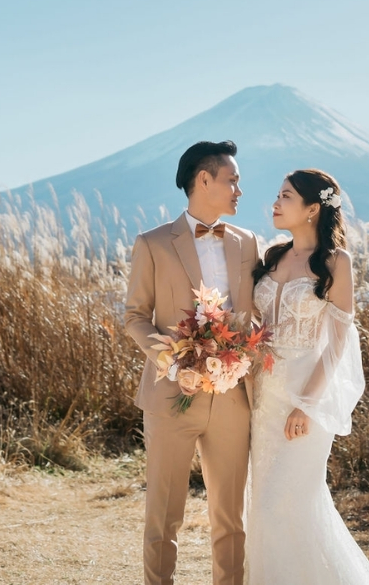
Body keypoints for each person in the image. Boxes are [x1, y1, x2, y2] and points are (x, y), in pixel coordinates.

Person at [123, 140, 262, 585]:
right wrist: (172, 359)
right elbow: (134, 317)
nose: (239, 189)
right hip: (170, 394)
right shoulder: (153, 243)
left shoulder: (247, 242)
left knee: (231, 518)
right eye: (232, 180)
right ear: (204, 180)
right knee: (164, 516)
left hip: (233, 397)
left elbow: (253, 315)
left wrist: (242, 355)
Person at [247, 169, 369, 584]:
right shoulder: (271, 256)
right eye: (277, 194)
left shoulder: (335, 262)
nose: (275, 202)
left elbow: (339, 339)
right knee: (262, 507)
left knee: (285, 502)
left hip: (305, 393)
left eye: (285, 196)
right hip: (263, 396)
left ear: (311, 209)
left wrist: (306, 403)